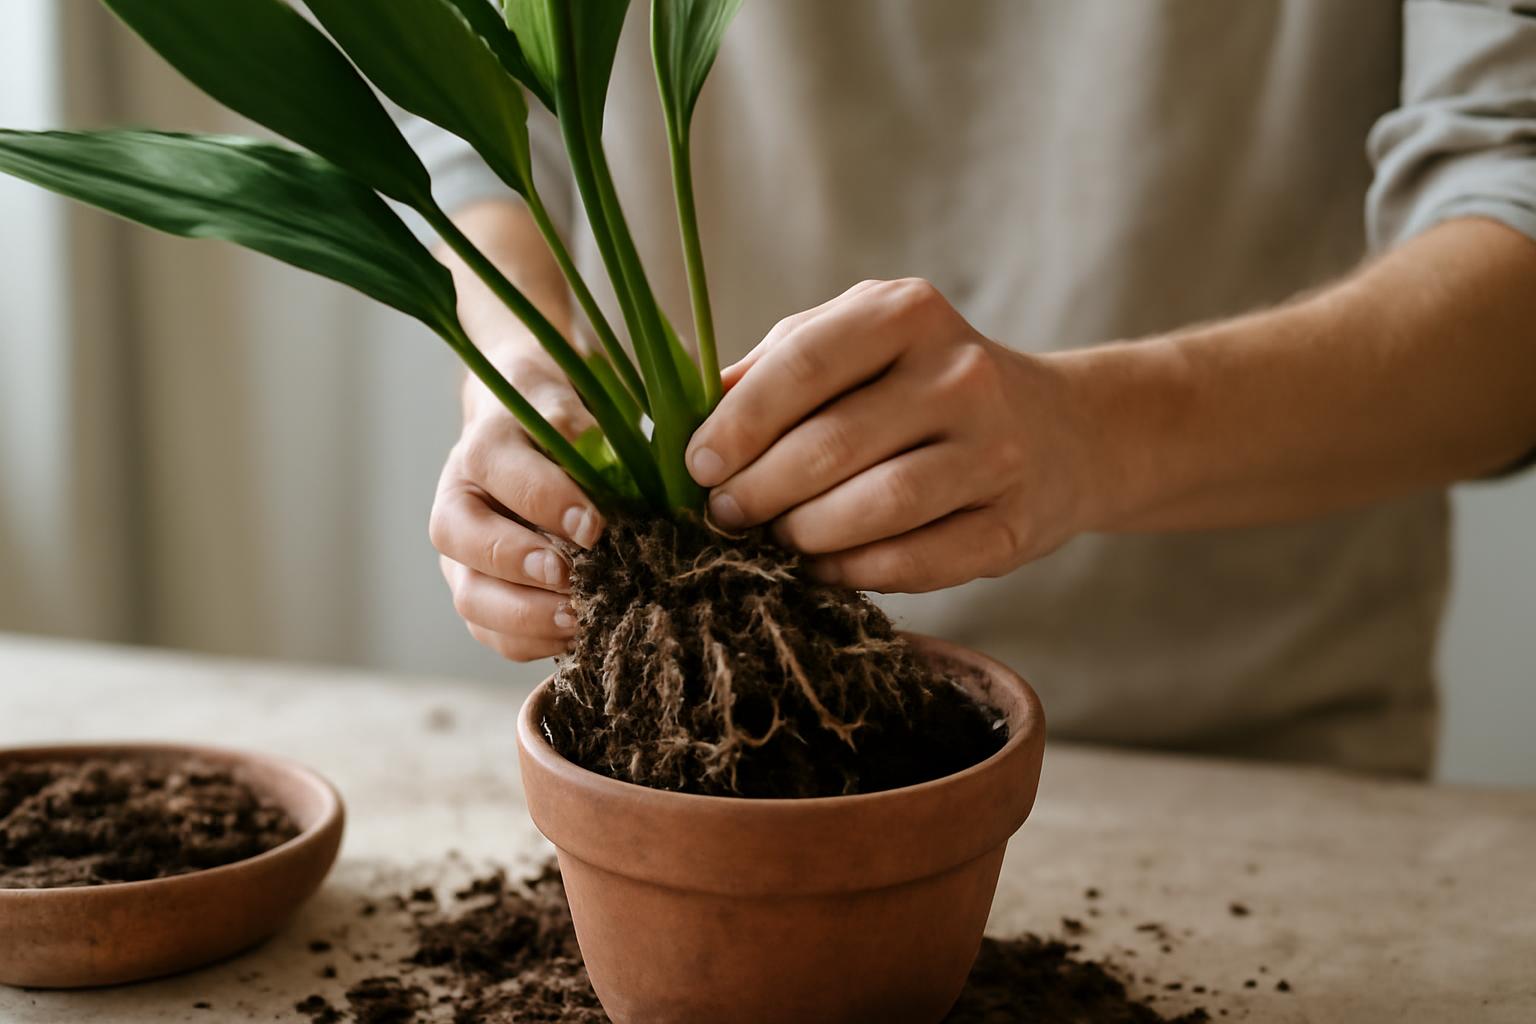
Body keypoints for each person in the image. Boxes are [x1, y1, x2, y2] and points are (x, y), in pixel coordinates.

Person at [411, 1, 1536, 779]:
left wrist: (1092, 438)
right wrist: (523, 366)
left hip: (1249, 756)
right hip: (693, 740)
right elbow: (479, 105)